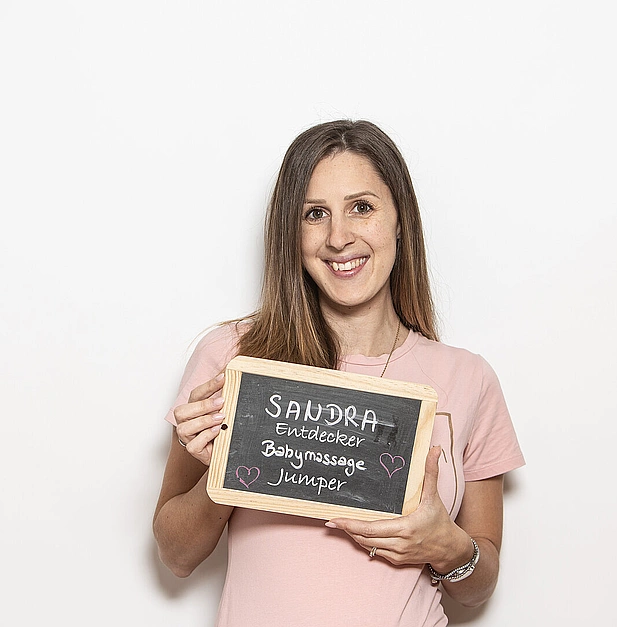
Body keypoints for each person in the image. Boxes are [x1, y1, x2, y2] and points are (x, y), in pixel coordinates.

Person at [153, 119, 524, 626]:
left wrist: (449, 546)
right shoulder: (236, 358)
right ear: (292, 231)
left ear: (400, 221)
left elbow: (479, 588)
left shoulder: (469, 378)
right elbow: (175, 555)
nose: (338, 237)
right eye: (315, 214)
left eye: (362, 208)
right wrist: (227, 470)